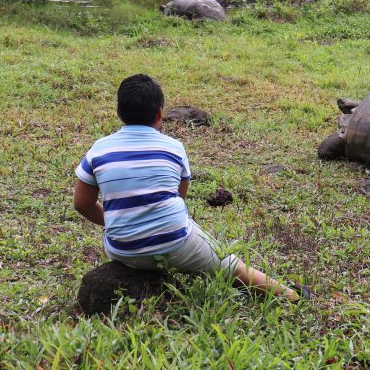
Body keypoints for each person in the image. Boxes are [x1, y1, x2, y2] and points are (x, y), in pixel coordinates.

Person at [73, 74, 306, 301]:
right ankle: (290, 296)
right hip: (174, 242)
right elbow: (179, 199)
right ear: (159, 114)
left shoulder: (99, 149)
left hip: (121, 249)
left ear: (118, 113)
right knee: (232, 266)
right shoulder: (174, 148)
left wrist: (118, 218)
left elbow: (81, 204)